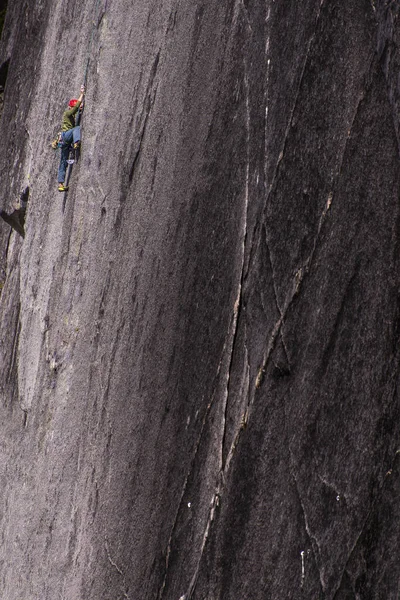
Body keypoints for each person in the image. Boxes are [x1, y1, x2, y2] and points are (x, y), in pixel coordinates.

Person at [54, 85, 85, 192]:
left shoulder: (70, 116)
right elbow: (76, 108)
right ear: (70, 108)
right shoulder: (67, 113)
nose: (76, 110)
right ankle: (76, 142)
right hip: (66, 136)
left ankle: (60, 184)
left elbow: (77, 109)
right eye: (75, 108)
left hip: (63, 142)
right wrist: (81, 94)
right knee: (77, 128)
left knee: (63, 162)